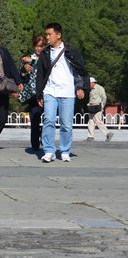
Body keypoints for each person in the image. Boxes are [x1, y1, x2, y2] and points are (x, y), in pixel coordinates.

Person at [36, 22, 88, 163]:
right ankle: (49, 150)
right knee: (49, 120)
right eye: (46, 34)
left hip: (67, 92)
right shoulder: (45, 53)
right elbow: (40, 75)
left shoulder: (71, 51)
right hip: (50, 91)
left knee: (66, 124)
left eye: (50, 34)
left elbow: (81, 70)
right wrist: (39, 93)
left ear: (58, 35)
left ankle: (65, 151)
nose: (47, 37)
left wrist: (81, 87)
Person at [19, 35, 46, 152]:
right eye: (37, 46)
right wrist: (24, 68)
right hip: (32, 94)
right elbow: (20, 73)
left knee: (48, 119)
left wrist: (32, 61)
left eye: (41, 46)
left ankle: (45, 139)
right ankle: (35, 144)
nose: (39, 49)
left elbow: (45, 66)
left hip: (46, 93)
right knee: (34, 117)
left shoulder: (47, 57)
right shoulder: (28, 58)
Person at [86, 77, 113, 142]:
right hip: (91, 107)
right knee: (91, 121)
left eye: (89, 83)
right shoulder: (91, 89)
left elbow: (104, 98)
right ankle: (90, 137)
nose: (88, 85)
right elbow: (92, 99)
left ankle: (108, 134)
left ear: (92, 83)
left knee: (98, 121)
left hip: (98, 107)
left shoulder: (99, 88)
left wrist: (102, 106)